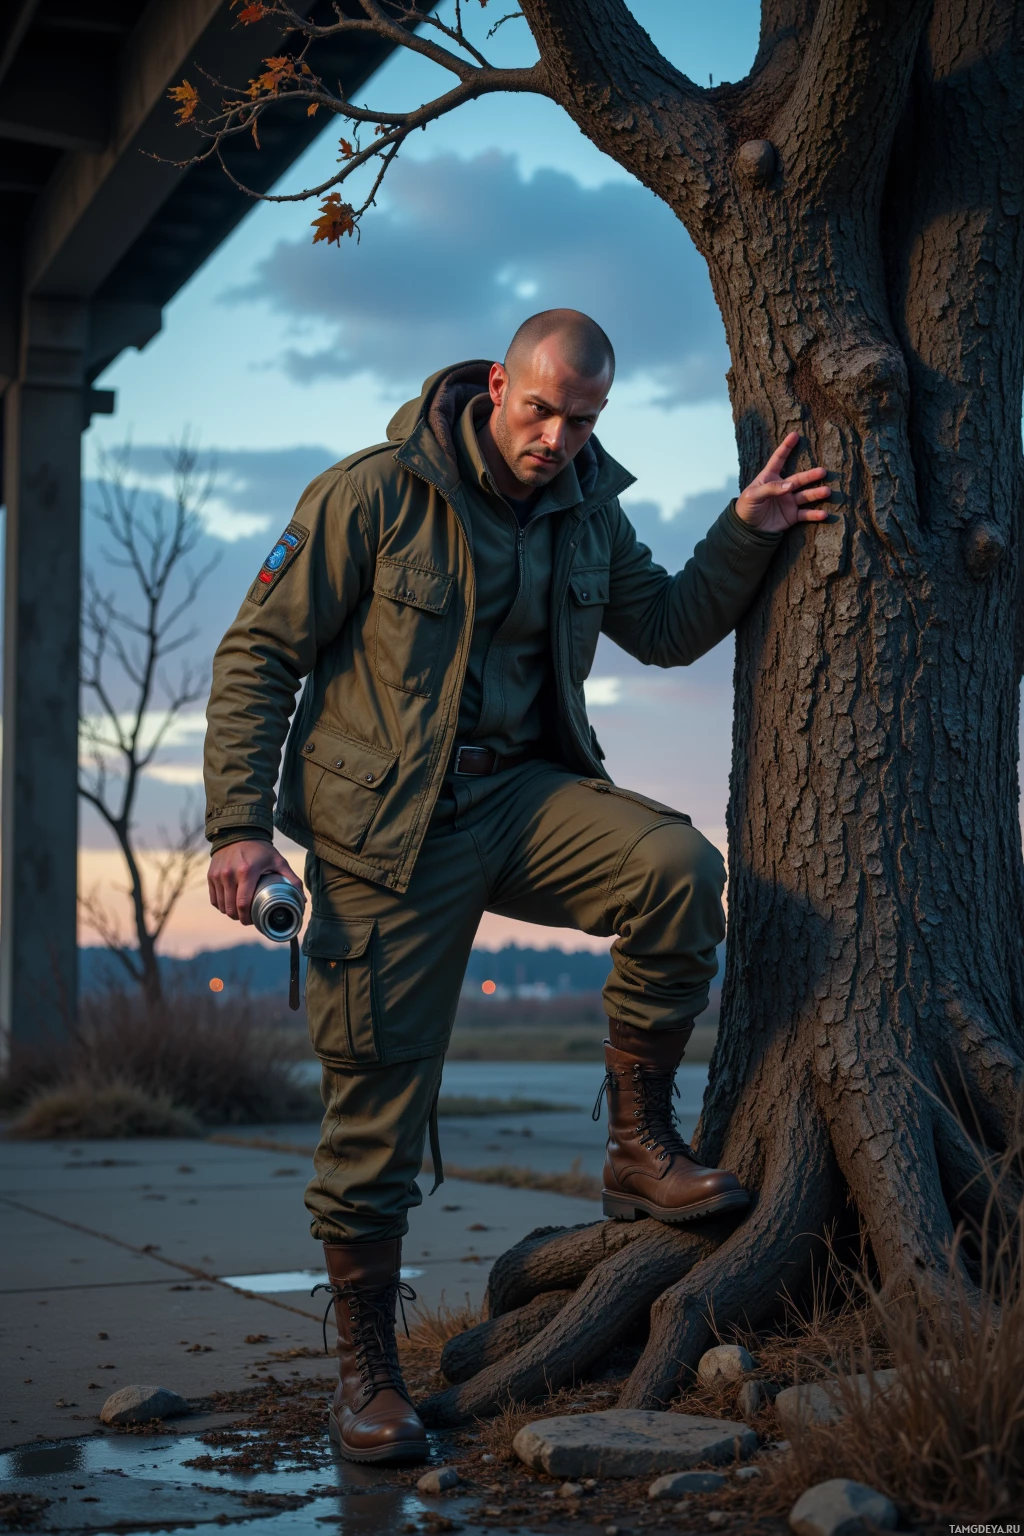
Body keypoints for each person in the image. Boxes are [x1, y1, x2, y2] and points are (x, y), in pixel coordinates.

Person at [204, 309, 831, 1463]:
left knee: (676, 869)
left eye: (582, 419)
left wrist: (744, 531)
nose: (557, 437)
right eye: (541, 409)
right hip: (390, 829)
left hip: (526, 798)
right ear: (498, 384)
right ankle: (365, 1374)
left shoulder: (590, 504)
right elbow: (257, 656)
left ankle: (639, 1143)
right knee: (376, 1106)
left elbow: (669, 626)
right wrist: (240, 828)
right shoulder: (372, 495)